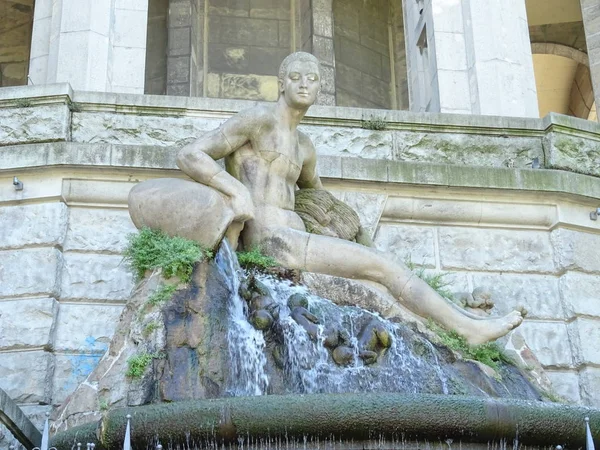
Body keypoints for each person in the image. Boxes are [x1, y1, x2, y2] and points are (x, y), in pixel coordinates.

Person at [176, 52, 523, 345]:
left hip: (298, 237)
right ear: (281, 83)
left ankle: (461, 319)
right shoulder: (257, 121)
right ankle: (466, 330)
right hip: (269, 239)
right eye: (294, 77)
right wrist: (236, 190)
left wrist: (363, 239)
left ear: (318, 88)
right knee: (382, 268)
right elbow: (191, 154)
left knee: (378, 267)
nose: (302, 84)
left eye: (311, 79)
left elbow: (324, 201)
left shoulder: (304, 147)